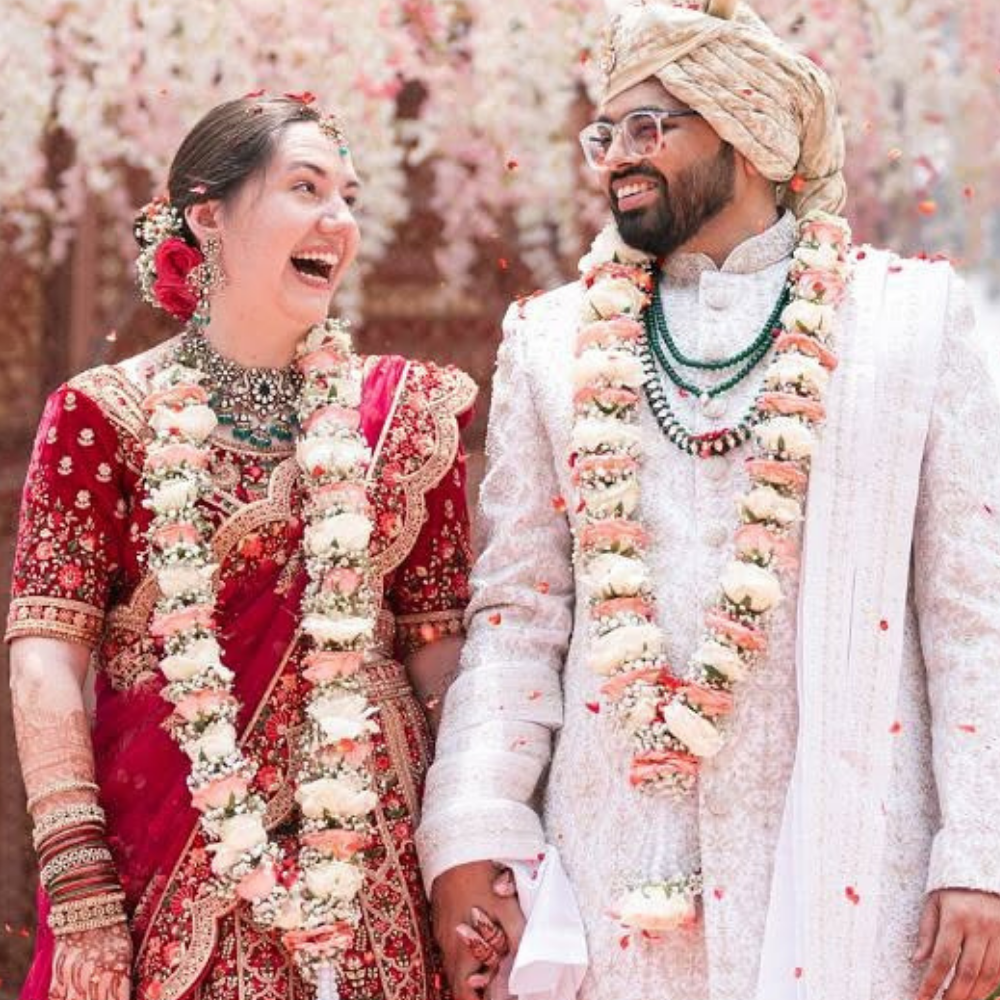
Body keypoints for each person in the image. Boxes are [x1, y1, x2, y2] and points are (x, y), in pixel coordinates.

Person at [417, 2, 1000, 1000]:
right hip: (611, 865)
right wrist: (474, 823)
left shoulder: (909, 320)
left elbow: (969, 611)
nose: (616, 160)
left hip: (854, 858)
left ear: (754, 136)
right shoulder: (552, 341)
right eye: (605, 133)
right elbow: (515, 616)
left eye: (651, 127)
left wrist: (978, 856)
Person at [8, 94, 478, 1000]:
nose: (337, 220)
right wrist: (76, 878)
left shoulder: (402, 417)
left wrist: (473, 849)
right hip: (174, 865)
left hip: (376, 873)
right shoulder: (103, 416)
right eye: (305, 188)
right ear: (208, 213)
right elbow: (45, 658)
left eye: (348, 196)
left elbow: (445, 657)